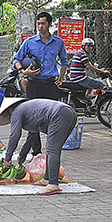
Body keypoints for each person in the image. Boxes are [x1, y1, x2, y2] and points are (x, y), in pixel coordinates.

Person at [13, 11, 69, 157]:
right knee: (33, 119)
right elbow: (16, 59)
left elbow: (64, 61)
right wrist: (24, 72)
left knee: (53, 117)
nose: (40, 27)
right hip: (33, 84)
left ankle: (52, 150)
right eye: (38, 24)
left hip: (50, 84)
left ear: (49, 24)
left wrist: (61, 77)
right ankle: (36, 151)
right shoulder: (29, 42)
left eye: (43, 23)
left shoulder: (58, 42)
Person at [0, 97, 77, 195]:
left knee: (52, 149)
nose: (9, 120)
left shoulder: (16, 112)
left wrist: (7, 158)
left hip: (59, 114)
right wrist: (23, 154)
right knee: (53, 149)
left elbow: (14, 135)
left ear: (8, 113)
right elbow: (32, 136)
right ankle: (47, 179)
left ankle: (53, 184)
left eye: (6, 118)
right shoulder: (27, 110)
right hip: (68, 112)